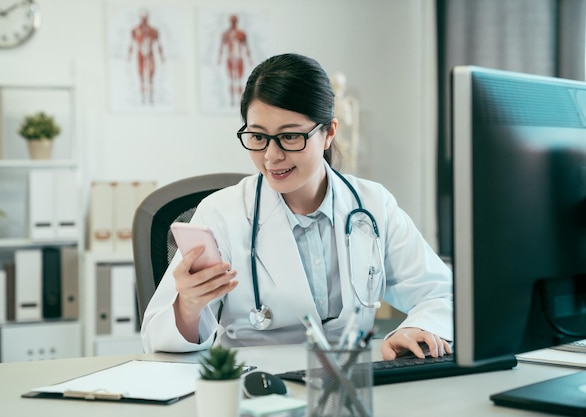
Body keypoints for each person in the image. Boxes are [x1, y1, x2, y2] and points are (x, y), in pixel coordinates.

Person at [141, 53, 453, 361]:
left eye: (289, 136)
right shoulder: (220, 214)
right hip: (257, 393)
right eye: (258, 136)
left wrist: (414, 327)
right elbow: (157, 338)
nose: (271, 156)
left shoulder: (373, 206)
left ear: (328, 133)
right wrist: (189, 306)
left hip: (346, 388)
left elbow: (442, 293)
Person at [127, 8, 164, 105]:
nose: (144, 20)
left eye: (145, 17)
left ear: (148, 18)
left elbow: (159, 44)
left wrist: (162, 56)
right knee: (141, 74)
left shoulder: (154, 30)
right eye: (142, 17)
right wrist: (129, 56)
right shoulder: (135, 30)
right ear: (140, 18)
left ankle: (151, 96)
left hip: (150, 53)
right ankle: (142, 97)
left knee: (151, 74)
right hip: (140, 53)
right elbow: (131, 44)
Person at [217, 14, 252, 106]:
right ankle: (232, 101)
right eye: (232, 20)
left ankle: (240, 102)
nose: (233, 22)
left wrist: (249, 59)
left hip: (239, 57)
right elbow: (221, 47)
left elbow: (246, 46)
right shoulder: (226, 34)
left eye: (234, 20)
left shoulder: (241, 33)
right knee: (231, 80)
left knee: (239, 80)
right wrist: (219, 58)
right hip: (230, 58)